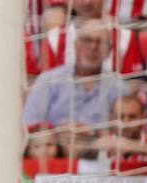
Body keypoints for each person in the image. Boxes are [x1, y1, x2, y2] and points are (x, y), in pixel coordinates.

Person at [24, 19, 127, 154]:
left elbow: (128, 132)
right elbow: (29, 126)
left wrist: (92, 132)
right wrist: (58, 134)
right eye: (87, 40)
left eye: (99, 42)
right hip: (54, 161)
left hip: (102, 163)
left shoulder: (120, 88)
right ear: (75, 45)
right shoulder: (48, 80)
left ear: (109, 51)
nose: (93, 47)